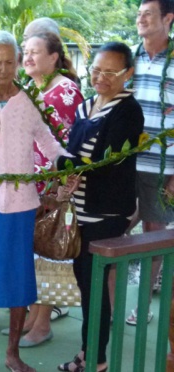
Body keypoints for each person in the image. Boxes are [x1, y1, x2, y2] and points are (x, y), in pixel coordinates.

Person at [0, 30, 69, 372]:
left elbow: (50, 144)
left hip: (22, 208)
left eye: (10, 62)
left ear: (19, 63)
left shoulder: (29, 101)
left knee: (21, 281)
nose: (4, 69)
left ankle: (12, 354)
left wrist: (67, 163)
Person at [56, 42, 143, 372]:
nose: (101, 77)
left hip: (106, 213)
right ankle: (89, 351)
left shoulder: (128, 110)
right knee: (84, 283)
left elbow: (106, 161)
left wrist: (61, 163)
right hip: (80, 209)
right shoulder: (86, 105)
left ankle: (97, 357)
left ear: (128, 74)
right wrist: (65, 168)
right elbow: (74, 151)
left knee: (93, 286)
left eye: (110, 72)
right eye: (96, 70)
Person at [19, 31, 84, 347]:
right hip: (27, 184)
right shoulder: (32, 86)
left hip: (52, 186)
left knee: (47, 251)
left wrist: (59, 187)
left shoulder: (67, 91)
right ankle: (32, 316)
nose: (28, 57)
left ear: (54, 57)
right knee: (32, 253)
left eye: (35, 51)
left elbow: (69, 143)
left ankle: (42, 323)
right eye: (25, 51)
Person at [126, 0, 174, 326]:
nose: (141, 19)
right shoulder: (128, 57)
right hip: (125, 163)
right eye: (139, 13)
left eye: (148, 14)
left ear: (168, 19)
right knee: (115, 227)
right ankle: (106, 306)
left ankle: (142, 307)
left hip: (164, 165)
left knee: (154, 233)